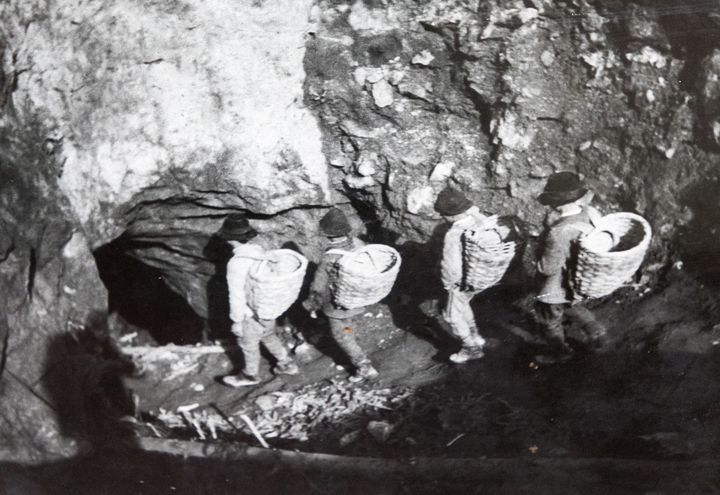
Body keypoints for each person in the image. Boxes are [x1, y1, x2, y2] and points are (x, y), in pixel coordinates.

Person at [534, 171, 609, 361]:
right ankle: (597, 333)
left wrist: (537, 261)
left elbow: (548, 268)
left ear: (555, 204)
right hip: (578, 277)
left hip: (555, 284)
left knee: (548, 317)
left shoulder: (558, 232)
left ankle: (560, 351)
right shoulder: (589, 214)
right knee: (571, 304)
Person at [219, 213, 299, 388]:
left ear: (228, 239)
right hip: (267, 306)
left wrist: (237, 321)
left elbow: (237, 295)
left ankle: (250, 375)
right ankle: (286, 363)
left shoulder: (236, 263)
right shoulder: (259, 251)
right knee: (268, 335)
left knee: (248, 343)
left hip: (250, 312)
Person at [303, 208, 378, 382]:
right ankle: (352, 337)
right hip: (358, 298)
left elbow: (318, 286)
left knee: (340, 334)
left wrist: (312, 305)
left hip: (338, 305)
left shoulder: (329, 258)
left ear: (327, 235)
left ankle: (363, 365)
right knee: (348, 326)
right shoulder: (359, 246)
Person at [434, 187, 489, 364]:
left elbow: (452, 266)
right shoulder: (479, 223)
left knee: (451, 315)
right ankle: (475, 334)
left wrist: (449, 284)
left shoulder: (453, 234)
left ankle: (470, 348)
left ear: (449, 215)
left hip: (461, 280)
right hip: (480, 276)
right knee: (463, 304)